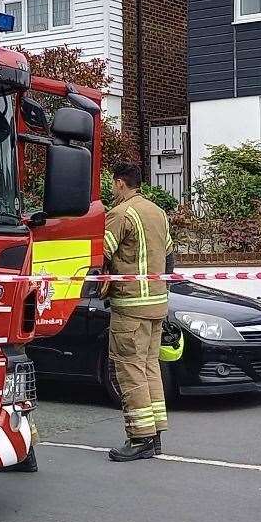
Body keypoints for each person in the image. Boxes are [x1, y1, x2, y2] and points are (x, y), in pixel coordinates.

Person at [102, 161, 174, 462]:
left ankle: (140, 438)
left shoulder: (119, 214)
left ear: (120, 184)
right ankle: (155, 435)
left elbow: (99, 258)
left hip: (130, 308)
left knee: (130, 371)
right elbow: (170, 259)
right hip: (157, 306)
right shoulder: (158, 212)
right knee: (149, 368)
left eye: (112, 184)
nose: (111, 189)